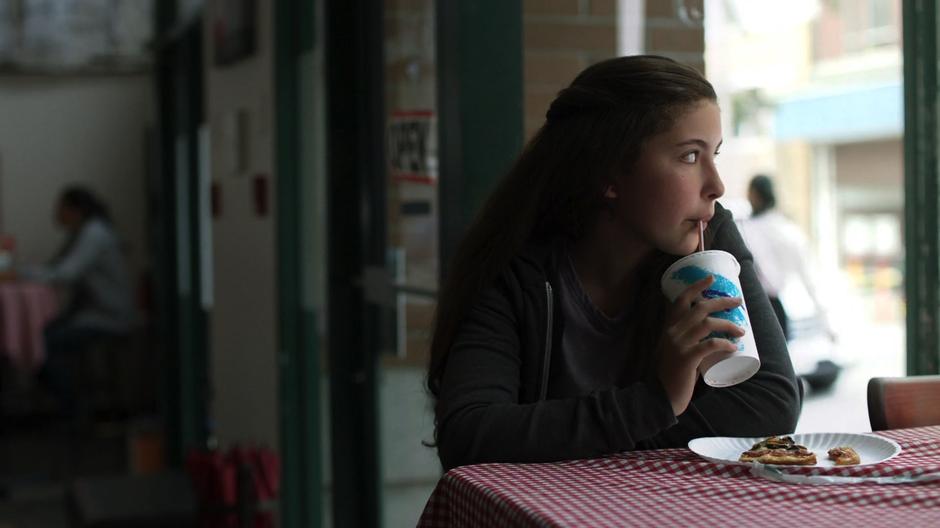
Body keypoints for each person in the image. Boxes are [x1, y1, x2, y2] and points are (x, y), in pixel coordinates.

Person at [426, 55, 802, 471]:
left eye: (714, 153)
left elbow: (770, 400)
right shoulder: (517, 263)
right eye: (690, 157)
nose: (716, 185)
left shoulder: (708, 238)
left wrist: (587, 438)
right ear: (608, 173)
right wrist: (656, 402)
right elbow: (468, 433)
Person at [22, 185, 135, 418]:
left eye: (60, 208)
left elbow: (65, 274)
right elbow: (55, 268)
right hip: (89, 312)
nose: (56, 215)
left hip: (106, 316)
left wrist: (21, 273)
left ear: (76, 210)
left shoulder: (94, 233)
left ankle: (74, 408)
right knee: (37, 337)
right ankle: (69, 404)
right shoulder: (82, 233)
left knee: (42, 344)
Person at [736, 174, 839, 389]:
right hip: (776, 304)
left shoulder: (748, 229)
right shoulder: (785, 228)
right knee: (776, 369)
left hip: (758, 304)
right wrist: (828, 322)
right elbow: (810, 278)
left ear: (755, 194)